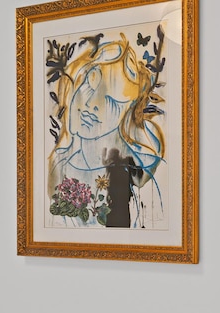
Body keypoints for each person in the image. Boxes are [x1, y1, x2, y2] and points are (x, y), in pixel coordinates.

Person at [47, 32, 165, 228]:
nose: (92, 104)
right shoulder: (59, 165)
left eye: (110, 98)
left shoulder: (136, 167)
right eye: (89, 86)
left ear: (128, 108)